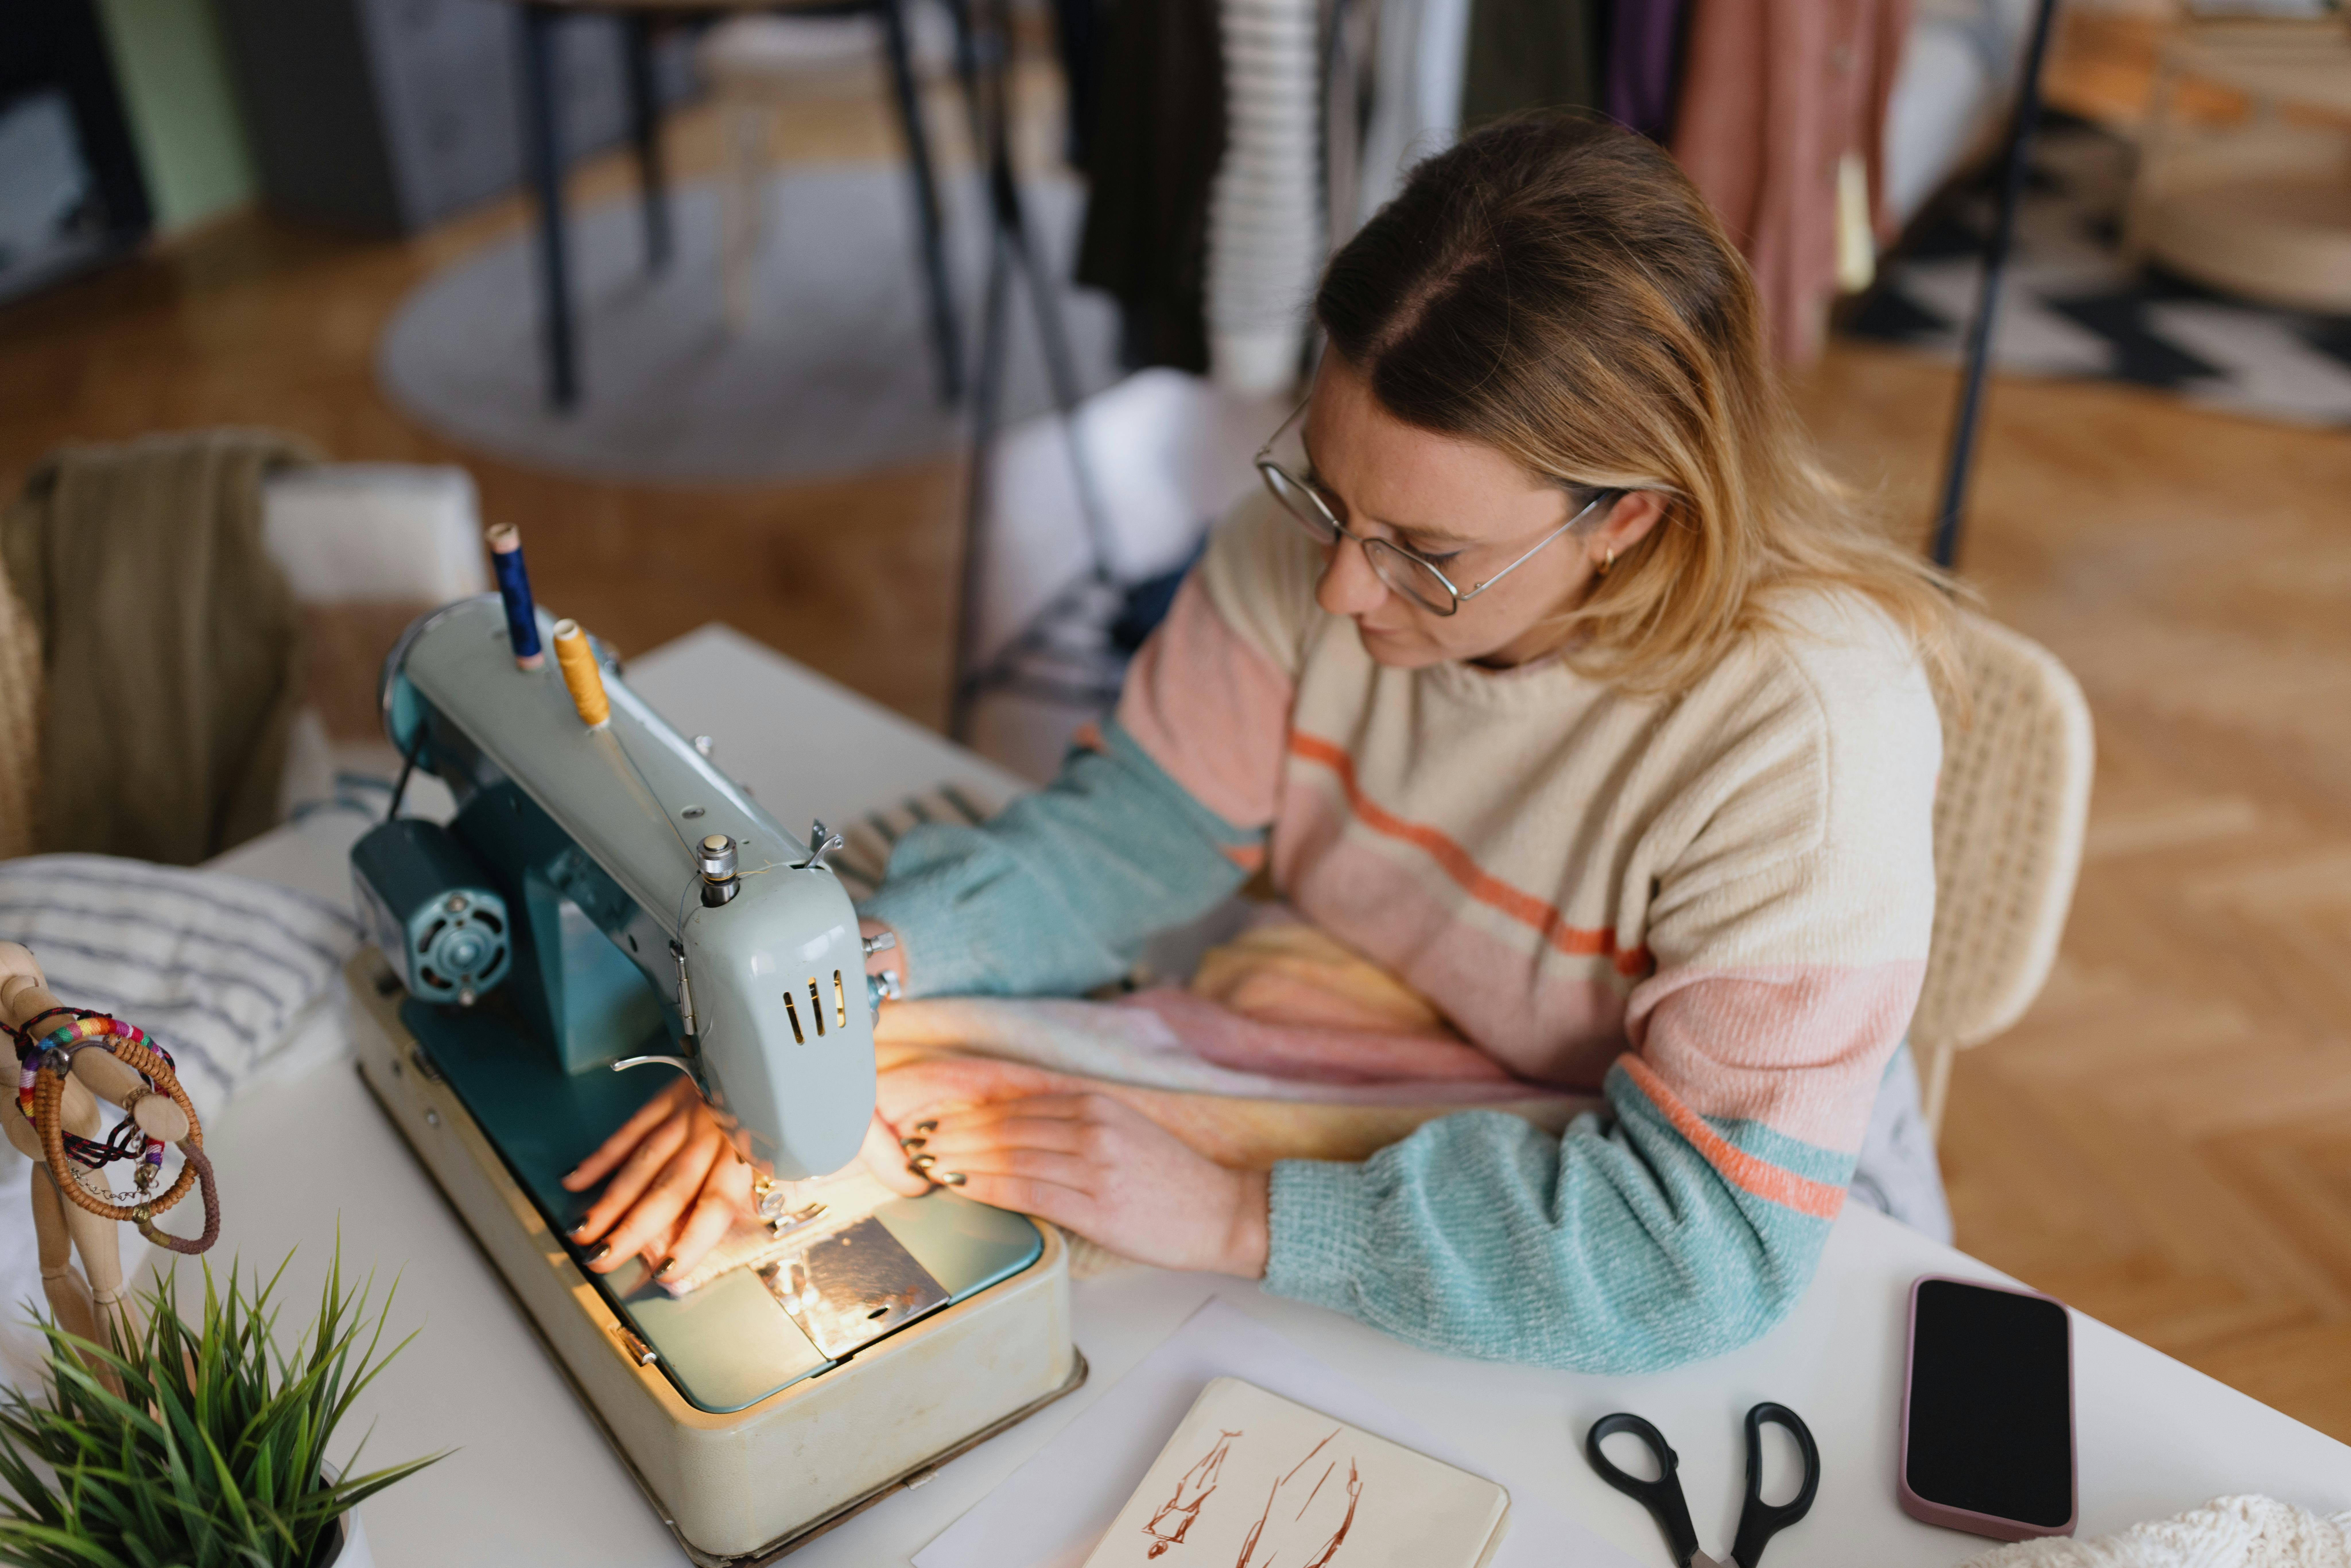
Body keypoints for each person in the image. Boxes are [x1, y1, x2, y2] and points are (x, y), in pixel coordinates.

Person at [563, 111, 1956, 1373]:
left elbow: (1694, 1244)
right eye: (1326, 494)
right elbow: (1135, 835)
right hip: (1390, 1037)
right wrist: (867, 970)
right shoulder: (1312, 550)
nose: (1342, 592)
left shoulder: (1805, 734)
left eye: (1427, 553)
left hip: (1714, 1215)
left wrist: (1239, 1214)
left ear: (1626, 519)